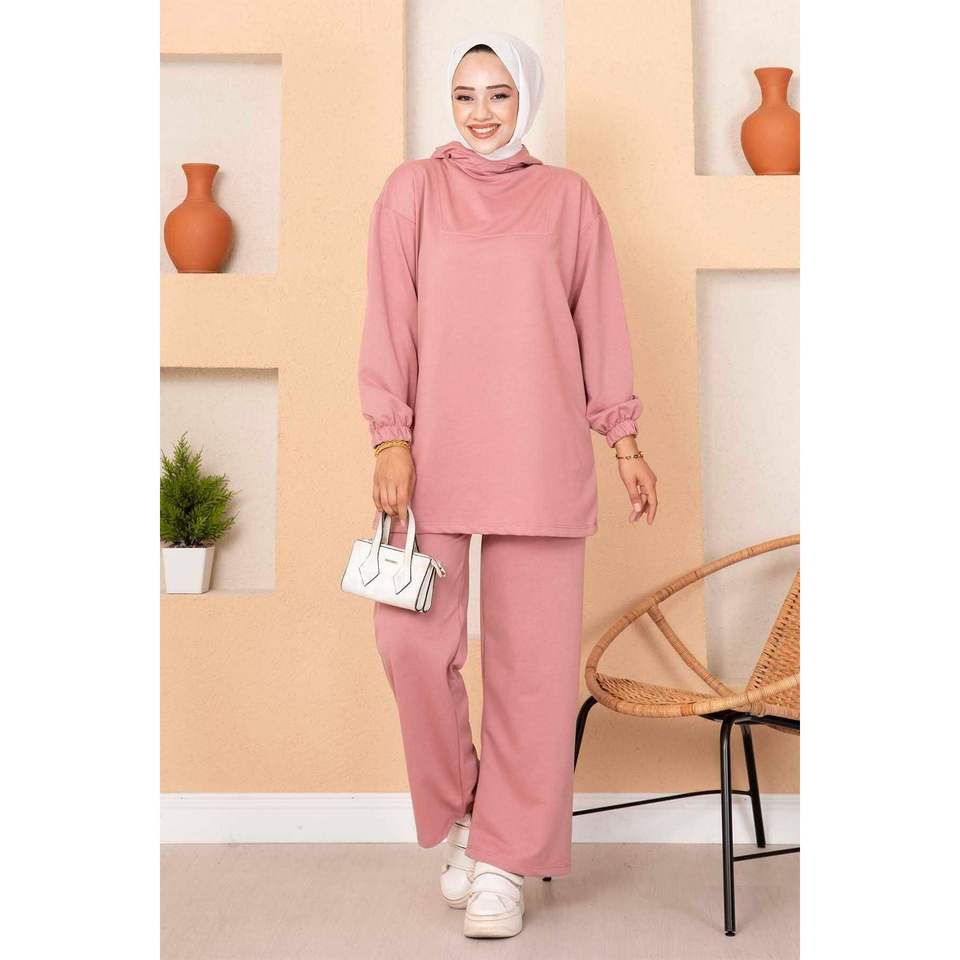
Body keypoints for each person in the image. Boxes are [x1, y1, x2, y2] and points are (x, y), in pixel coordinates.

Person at [357, 30, 658, 939]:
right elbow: (389, 320)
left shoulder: (567, 199)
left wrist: (625, 439)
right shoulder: (413, 191)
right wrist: (390, 437)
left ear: (525, 98)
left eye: (498, 94)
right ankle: (468, 812)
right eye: (464, 95)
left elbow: (599, 319)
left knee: (531, 672)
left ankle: (503, 861)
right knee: (410, 643)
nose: (481, 113)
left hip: (539, 452)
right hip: (435, 454)